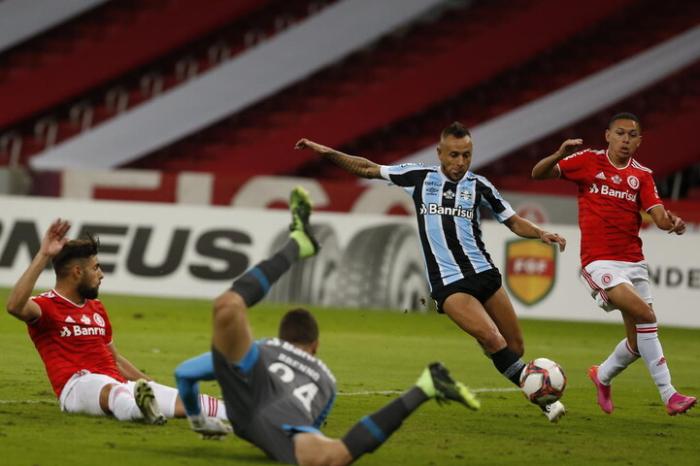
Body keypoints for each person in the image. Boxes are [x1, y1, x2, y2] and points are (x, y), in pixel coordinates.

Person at [175, 186, 480, 465]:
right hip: (282, 422)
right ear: (316, 346)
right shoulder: (327, 381)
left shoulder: (266, 347)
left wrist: (198, 419)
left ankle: (296, 245)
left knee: (227, 307)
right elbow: (314, 430)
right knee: (333, 456)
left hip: (251, 386)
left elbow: (184, 374)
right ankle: (424, 388)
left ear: (283, 338)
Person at [295, 123, 568, 422]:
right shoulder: (419, 178)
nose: (460, 162)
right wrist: (326, 152)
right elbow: (369, 168)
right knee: (492, 339)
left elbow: (513, 221)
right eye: (453, 155)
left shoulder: (480, 186)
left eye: (466, 155)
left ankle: (503, 359)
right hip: (449, 282)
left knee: (514, 347)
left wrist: (541, 233)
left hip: (484, 272)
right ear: (439, 153)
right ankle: (543, 399)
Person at [531, 112, 696, 416]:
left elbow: (657, 214)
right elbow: (538, 174)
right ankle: (669, 395)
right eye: (620, 133)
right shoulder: (587, 161)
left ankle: (602, 375)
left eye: (632, 135)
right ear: (607, 135)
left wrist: (671, 222)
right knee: (647, 315)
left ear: (639, 141)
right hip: (599, 262)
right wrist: (558, 154)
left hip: (634, 262)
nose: (625, 140)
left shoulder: (642, 175)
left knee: (636, 344)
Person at [5, 221, 228, 426]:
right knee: (113, 392)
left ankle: (246, 415)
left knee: (192, 400)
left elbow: (115, 359)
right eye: (96, 268)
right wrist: (44, 255)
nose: (101, 274)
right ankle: (141, 412)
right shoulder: (45, 306)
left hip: (118, 382)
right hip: (78, 387)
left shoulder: (96, 308)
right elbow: (14, 306)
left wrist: (149, 385)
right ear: (76, 272)